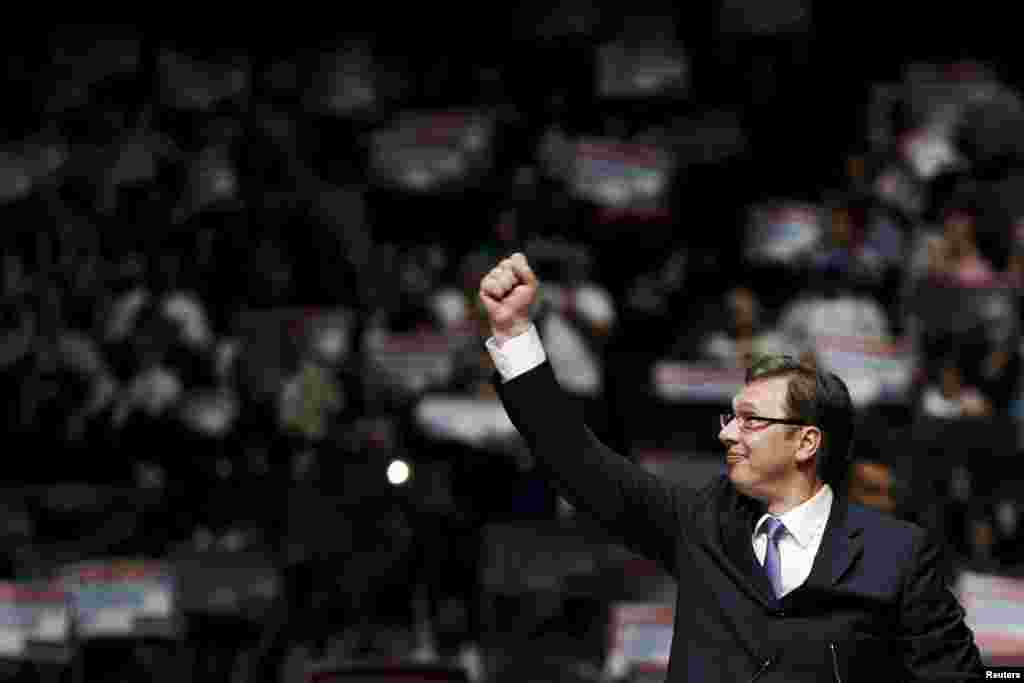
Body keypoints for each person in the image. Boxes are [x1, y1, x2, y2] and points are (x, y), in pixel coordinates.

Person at [478, 252, 984, 682]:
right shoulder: (699, 521)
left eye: (749, 420)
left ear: (806, 442)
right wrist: (514, 332)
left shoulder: (898, 556)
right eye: (730, 416)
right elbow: (578, 461)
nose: (724, 432)